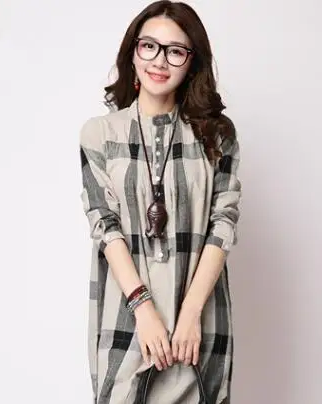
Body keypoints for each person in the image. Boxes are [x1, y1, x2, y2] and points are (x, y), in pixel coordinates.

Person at [79, 1, 242, 403]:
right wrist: (144, 309)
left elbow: (223, 223)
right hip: (127, 315)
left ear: (192, 61)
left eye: (175, 51)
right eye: (149, 46)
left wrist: (190, 314)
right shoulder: (100, 134)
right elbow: (105, 225)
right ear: (133, 51)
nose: (159, 60)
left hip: (197, 320)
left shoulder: (216, 135)